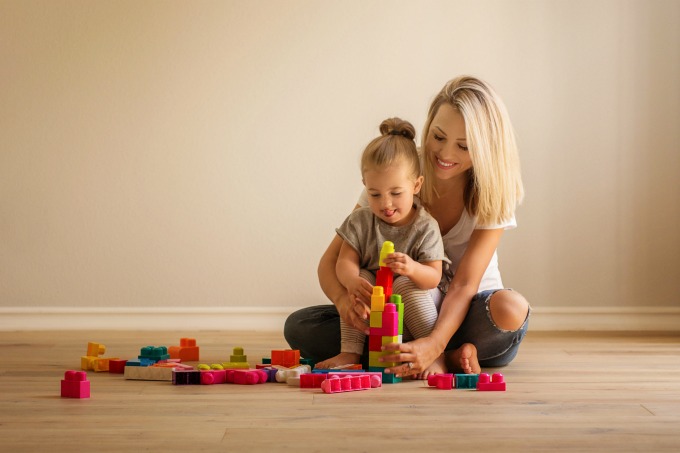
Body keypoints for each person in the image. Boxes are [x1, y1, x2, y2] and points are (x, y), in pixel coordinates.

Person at [284, 75, 530, 378]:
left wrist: (435, 342)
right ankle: (440, 355)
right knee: (300, 327)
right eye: (438, 137)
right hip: (399, 307)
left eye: (463, 146)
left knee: (510, 309)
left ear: (485, 149)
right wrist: (343, 299)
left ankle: (435, 352)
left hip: (468, 310)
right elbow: (333, 260)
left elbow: (464, 285)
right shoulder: (396, 173)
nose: (446, 154)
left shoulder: (493, 190)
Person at [313, 118, 450, 376]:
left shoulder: (425, 225)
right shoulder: (361, 220)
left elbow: (434, 277)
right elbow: (344, 262)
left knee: (404, 283)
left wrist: (411, 268)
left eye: (396, 193)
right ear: (365, 186)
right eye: (375, 194)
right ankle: (351, 350)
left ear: (416, 185)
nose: (386, 203)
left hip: (412, 311)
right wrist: (351, 282)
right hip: (376, 315)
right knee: (363, 278)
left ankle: (437, 356)